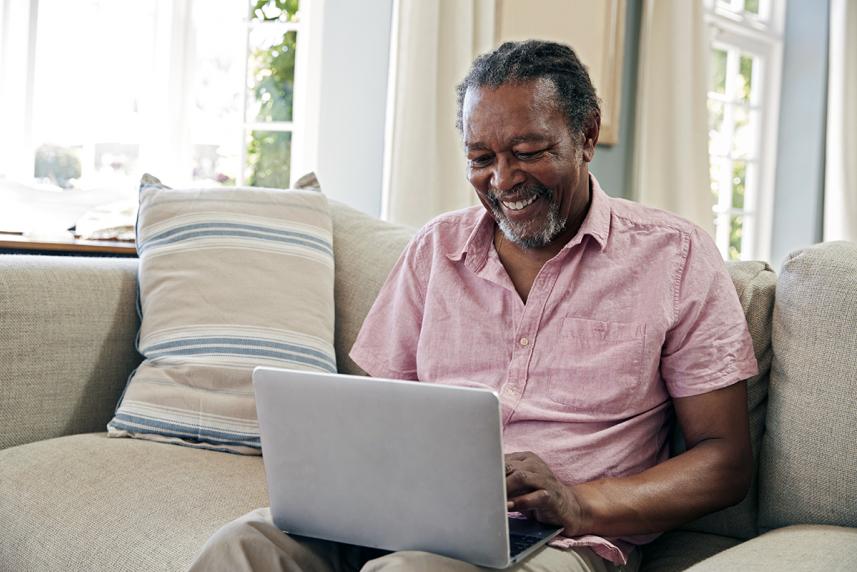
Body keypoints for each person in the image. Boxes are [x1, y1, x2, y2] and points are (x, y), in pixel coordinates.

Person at [188, 40, 757, 572]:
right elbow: (369, 413)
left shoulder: (674, 256)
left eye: (528, 152)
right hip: (408, 513)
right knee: (241, 546)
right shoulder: (437, 248)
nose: (503, 180)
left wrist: (577, 502)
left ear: (586, 135)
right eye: (480, 157)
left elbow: (725, 462)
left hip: (560, 539)